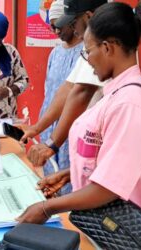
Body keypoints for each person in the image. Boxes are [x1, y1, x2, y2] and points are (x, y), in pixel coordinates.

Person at [17, 1, 141, 250]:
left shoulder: (130, 105)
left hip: (125, 239)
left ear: (108, 48)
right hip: (107, 232)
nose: (87, 61)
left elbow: (108, 188)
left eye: (88, 52)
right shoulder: (116, 93)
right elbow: (116, 162)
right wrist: (72, 172)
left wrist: (47, 208)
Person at [21, 0, 107, 167]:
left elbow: (80, 93)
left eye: (73, 23)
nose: (74, 30)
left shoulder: (98, 49)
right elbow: (68, 87)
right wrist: (37, 128)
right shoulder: (87, 49)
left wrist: (52, 144)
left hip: (92, 137)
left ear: (89, 17)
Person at [36, 0, 83, 195]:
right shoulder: (55, 53)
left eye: (58, 26)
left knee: (71, 176)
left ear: (72, 23)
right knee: (51, 178)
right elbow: (50, 91)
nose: (55, 31)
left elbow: (77, 93)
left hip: (72, 126)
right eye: (51, 26)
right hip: (49, 125)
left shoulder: (87, 53)